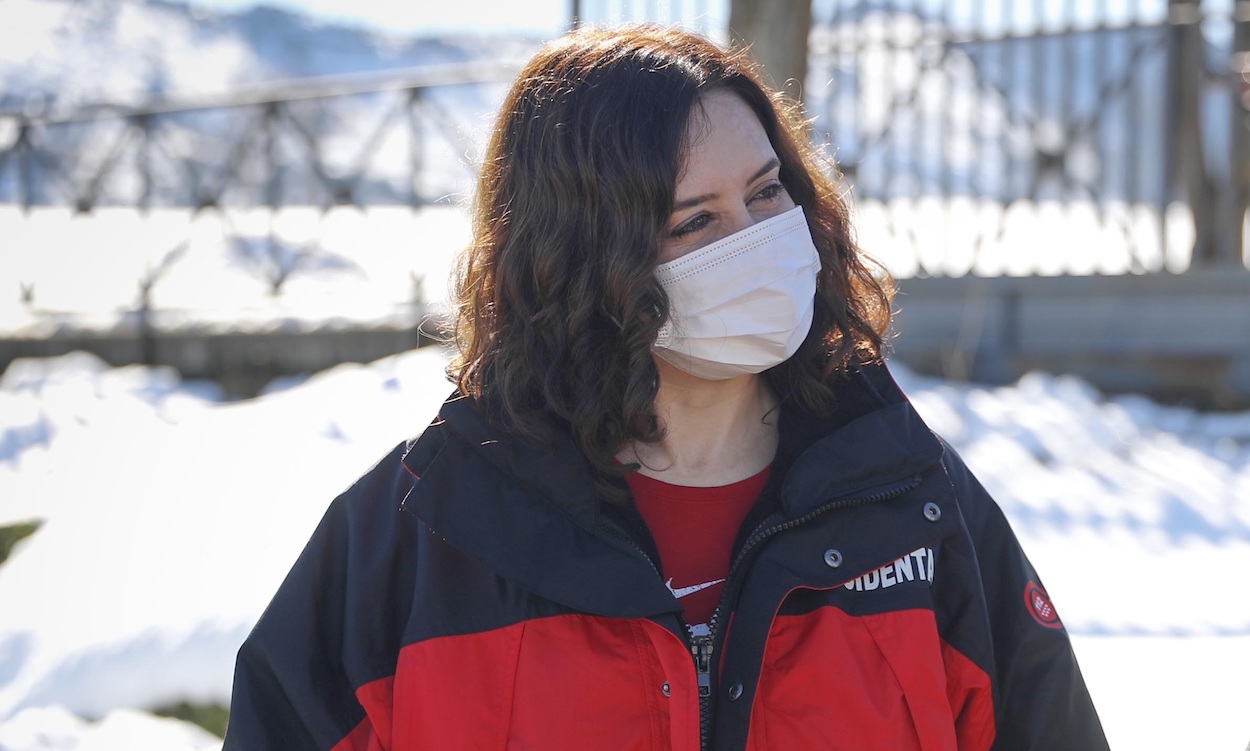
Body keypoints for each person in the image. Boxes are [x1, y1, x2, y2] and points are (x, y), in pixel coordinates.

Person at [223, 24, 1108, 751]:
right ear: (581, 260)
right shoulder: (419, 534)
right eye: (698, 221)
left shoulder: (911, 498)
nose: (758, 240)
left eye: (767, 194)